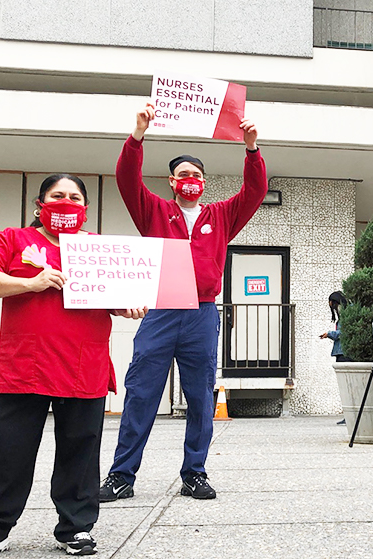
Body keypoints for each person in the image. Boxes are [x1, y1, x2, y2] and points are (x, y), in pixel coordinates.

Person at [0, 174, 146, 559]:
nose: (66, 202)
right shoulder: (12, 239)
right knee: (10, 451)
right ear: (39, 204)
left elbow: (115, 297)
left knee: (80, 451)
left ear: (86, 208)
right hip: (24, 366)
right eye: (57, 195)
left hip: (83, 365)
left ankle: (75, 528)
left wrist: (129, 305)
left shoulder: (98, 249)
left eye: (75, 197)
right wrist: (30, 283)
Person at [99, 104, 267, 503]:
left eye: (197, 176)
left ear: (205, 183)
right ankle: (121, 475)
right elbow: (126, 181)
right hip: (161, 311)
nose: (191, 181)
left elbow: (255, 192)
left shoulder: (222, 215)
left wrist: (251, 149)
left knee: (199, 396)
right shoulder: (154, 211)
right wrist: (137, 136)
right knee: (141, 393)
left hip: (202, 314)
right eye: (184, 175)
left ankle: (195, 473)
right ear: (172, 182)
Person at [320, 291, 352, 362]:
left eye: (334, 306)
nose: (335, 309)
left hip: (344, 352)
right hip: (344, 351)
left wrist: (329, 334)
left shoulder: (347, 313)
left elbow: (343, 332)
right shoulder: (349, 311)